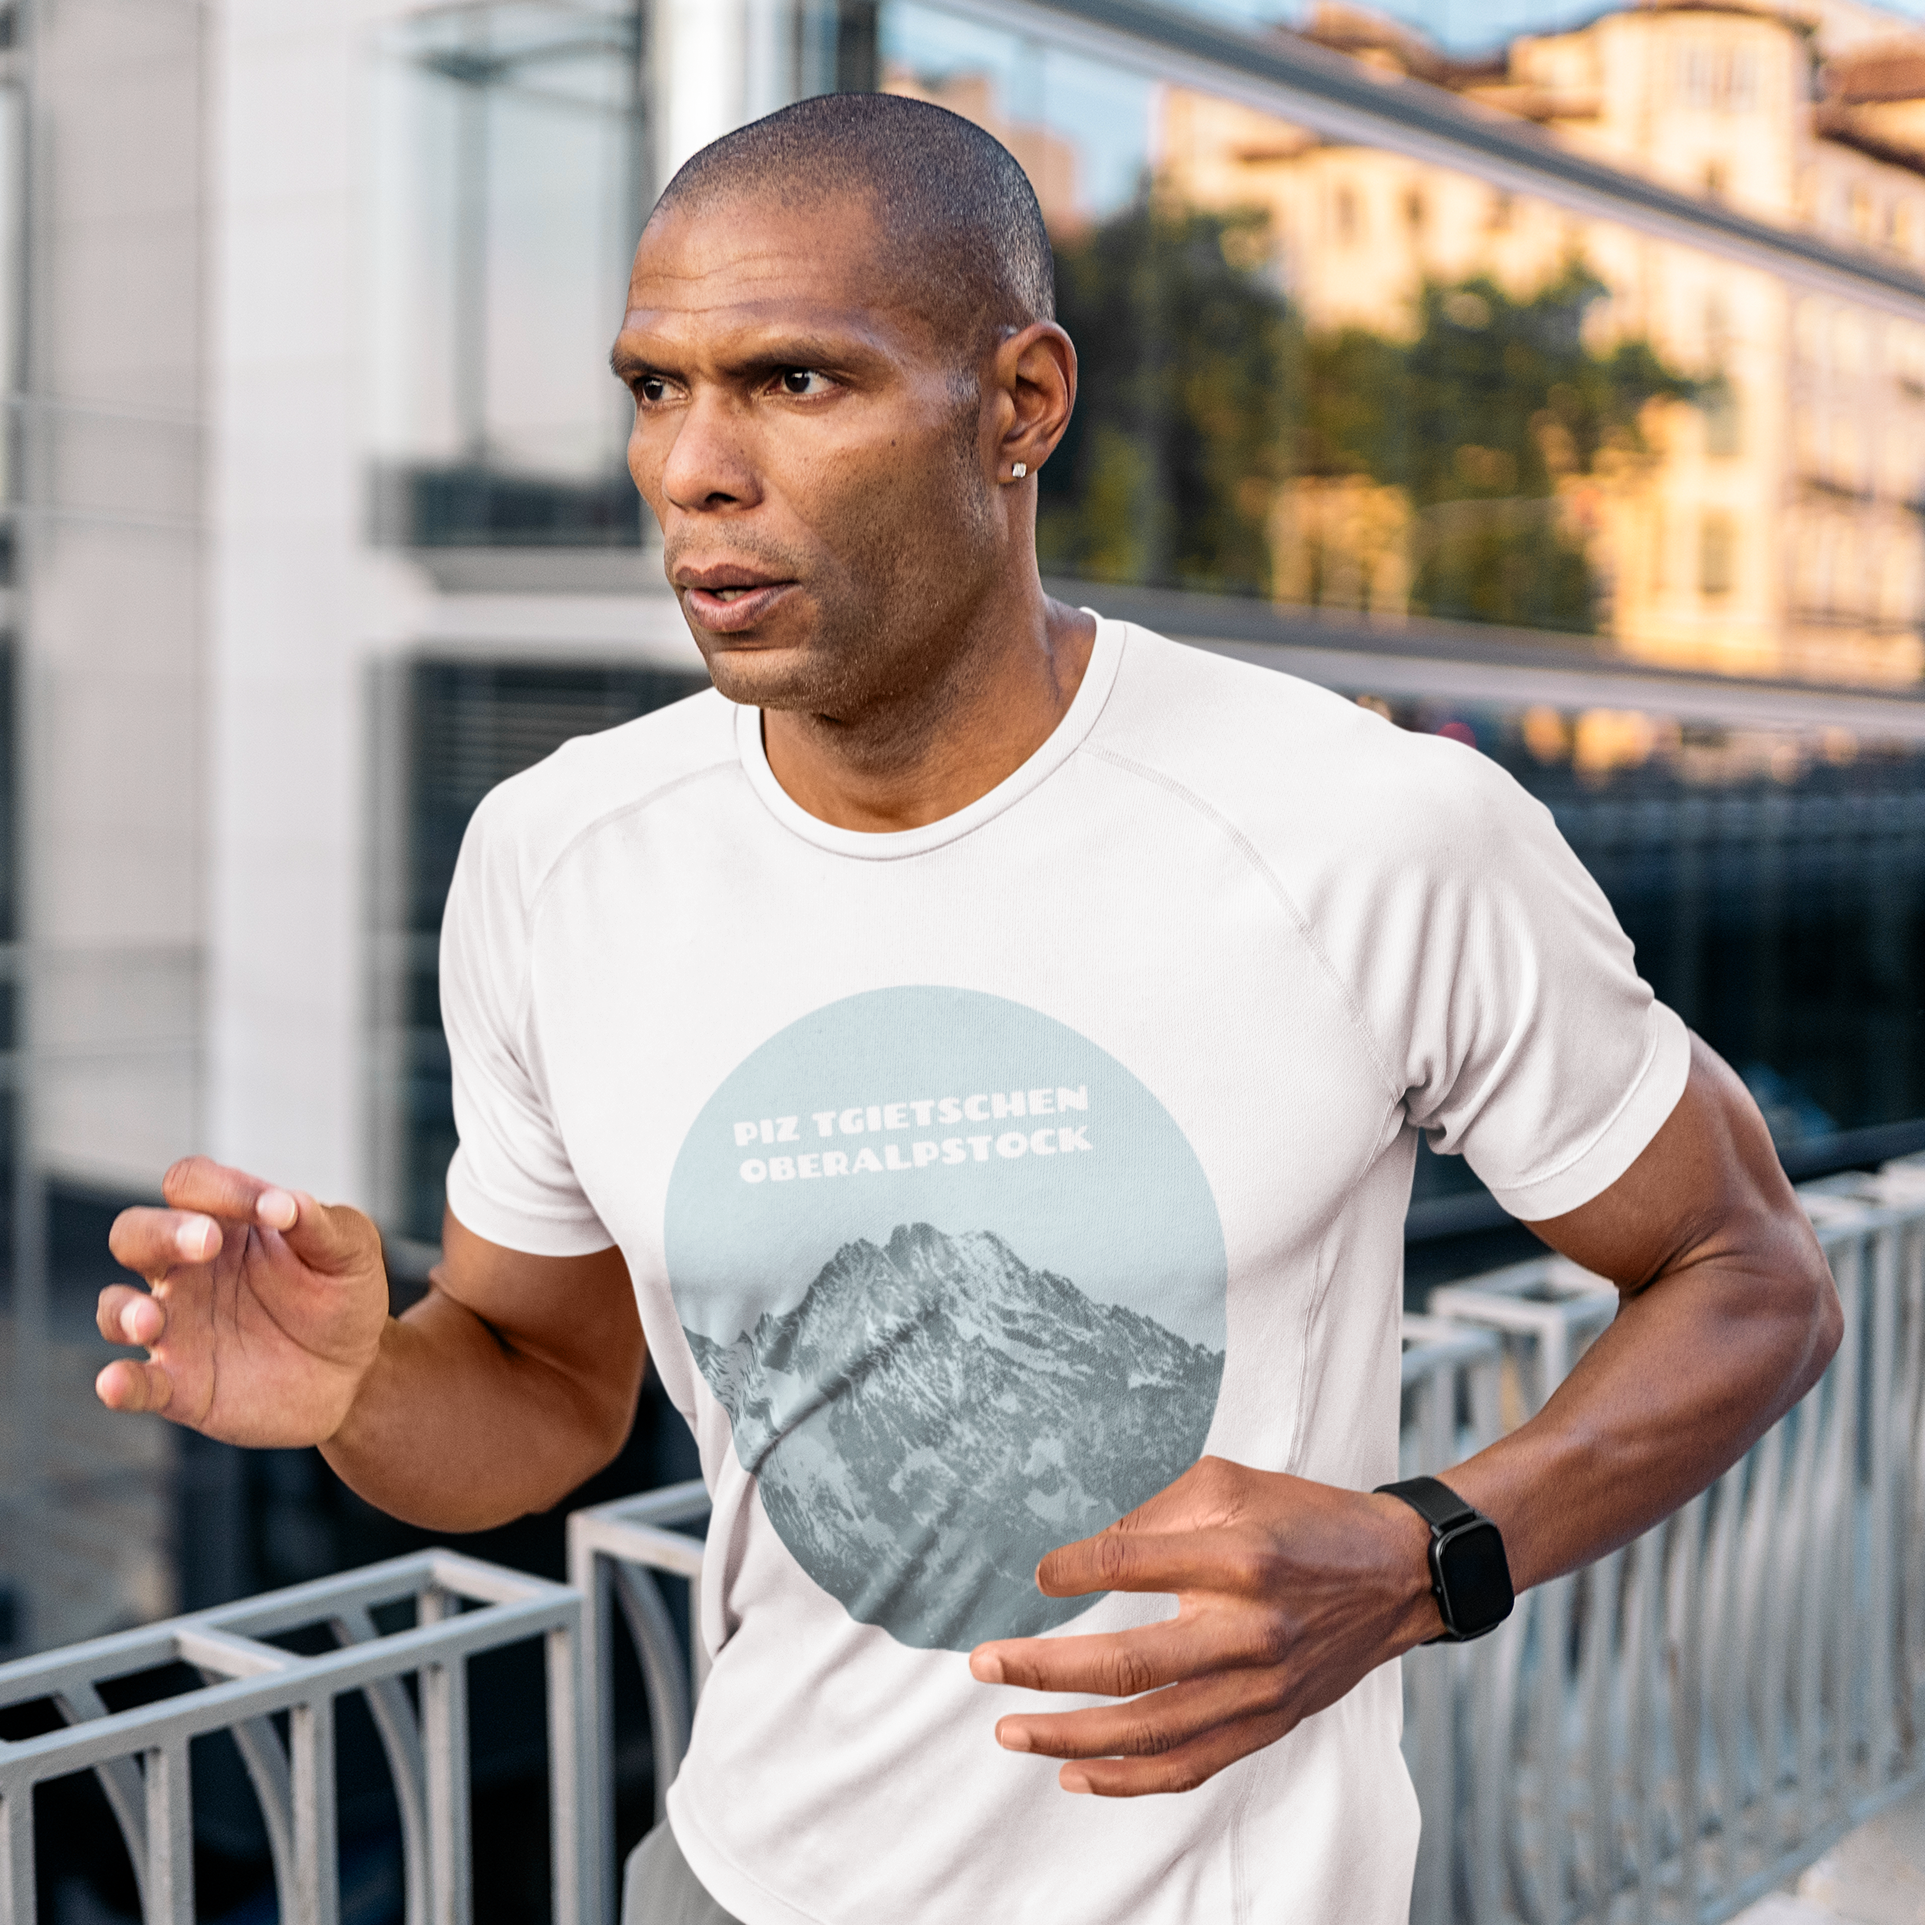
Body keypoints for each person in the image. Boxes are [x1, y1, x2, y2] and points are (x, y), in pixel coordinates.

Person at [97, 93, 1838, 1925]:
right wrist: (365, 1380)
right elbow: (539, 1400)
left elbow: (1753, 1275)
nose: (691, 467)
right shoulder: (557, 858)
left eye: (792, 381)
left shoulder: (1370, 828)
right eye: (652, 387)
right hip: (735, 1882)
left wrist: (1429, 1556)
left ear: (1020, 404)